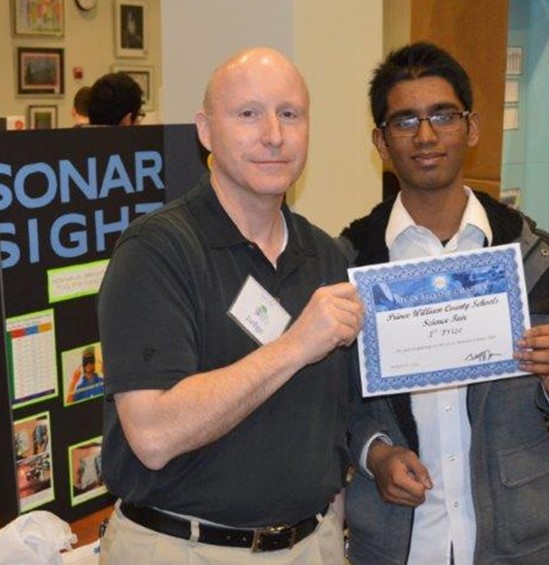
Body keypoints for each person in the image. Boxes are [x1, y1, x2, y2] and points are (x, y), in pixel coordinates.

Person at [97, 47, 363, 565]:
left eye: (290, 114)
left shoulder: (327, 256)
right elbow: (152, 434)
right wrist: (296, 346)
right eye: (248, 114)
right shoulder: (157, 251)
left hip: (313, 545)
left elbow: (335, 425)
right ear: (205, 129)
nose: (273, 135)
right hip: (184, 548)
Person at [341, 42, 549, 565]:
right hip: (395, 543)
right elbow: (330, 403)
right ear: (381, 141)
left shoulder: (536, 257)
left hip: (518, 542)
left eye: (443, 115)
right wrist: (375, 453)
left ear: (472, 128)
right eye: (405, 121)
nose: (427, 135)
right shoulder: (349, 263)